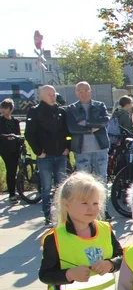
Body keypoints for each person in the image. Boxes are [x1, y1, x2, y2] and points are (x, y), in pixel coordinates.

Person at [25, 85, 71, 225]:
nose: (53, 97)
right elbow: (29, 134)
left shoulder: (61, 112)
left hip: (61, 155)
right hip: (45, 157)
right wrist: (38, 152)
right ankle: (48, 216)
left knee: (61, 187)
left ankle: (61, 215)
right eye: (49, 94)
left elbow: (68, 133)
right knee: (46, 187)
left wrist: (67, 147)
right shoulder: (35, 112)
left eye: (54, 94)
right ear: (42, 96)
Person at [65, 82, 112, 217]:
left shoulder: (99, 105)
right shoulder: (71, 109)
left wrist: (85, 124)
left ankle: (103, 211)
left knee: (102, 180)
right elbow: (72, 128)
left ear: (90, 91)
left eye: (86, 90)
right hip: (81, 151)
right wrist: (93, 128)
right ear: (76, 93)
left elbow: (104, 121)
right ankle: (85, 211)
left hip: (100, 149)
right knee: (83, 184)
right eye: (80, 91)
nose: (83, 93)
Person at [0, 98, 21, 201]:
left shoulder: (15, 121)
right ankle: (12, 194)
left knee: (16, 170)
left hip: (15, 149)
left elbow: (19, 135)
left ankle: (16, 190)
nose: (2, 110)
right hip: (5, 149)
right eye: (1, 108)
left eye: (5, 108)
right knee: (11, 170)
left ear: (10, 109)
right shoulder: (0, 121)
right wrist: (6, 137)